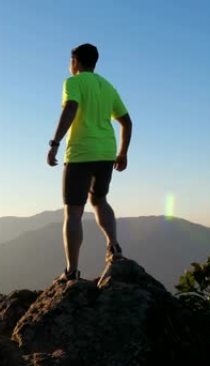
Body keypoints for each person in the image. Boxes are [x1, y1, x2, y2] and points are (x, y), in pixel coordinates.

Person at [46, 43, 132, 287]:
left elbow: (71, 107)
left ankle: (71, 272)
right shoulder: (107, 86)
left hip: (81, 154)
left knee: (73, 211)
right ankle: (114, 248)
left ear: (75, 61)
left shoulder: (72, 82)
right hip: (106, 153)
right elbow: (127, 122)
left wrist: (55, 142)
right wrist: (122, 153)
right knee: (99, 200)